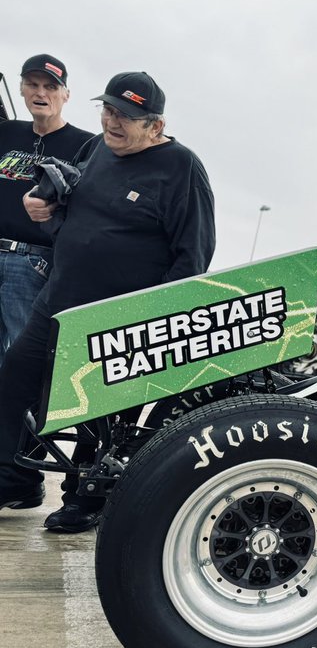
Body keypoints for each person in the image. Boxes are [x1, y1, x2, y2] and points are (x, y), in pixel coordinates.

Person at [0, 72, 215, 532]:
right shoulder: (96, 147)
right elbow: (70, 206)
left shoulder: (181, 168)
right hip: (58, 301)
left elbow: (193, 256)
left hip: (120, 318)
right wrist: (45, 211)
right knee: (16, 376)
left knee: (98, 412)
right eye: (109, 110)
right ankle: (13, 478)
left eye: (126, 117)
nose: (112, 123)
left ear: (155, 126)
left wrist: (153, 320)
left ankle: (85, 498)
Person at [0, 55, 93, 363]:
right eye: (33, 85)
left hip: (33, 262)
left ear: (66, 94)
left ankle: (28, 413)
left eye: (51, 86)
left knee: (27, 357)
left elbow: (88, 204)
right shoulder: (6, 132)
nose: (41, 93)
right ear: (22, 89)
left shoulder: (86, 145)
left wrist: (51, 202)